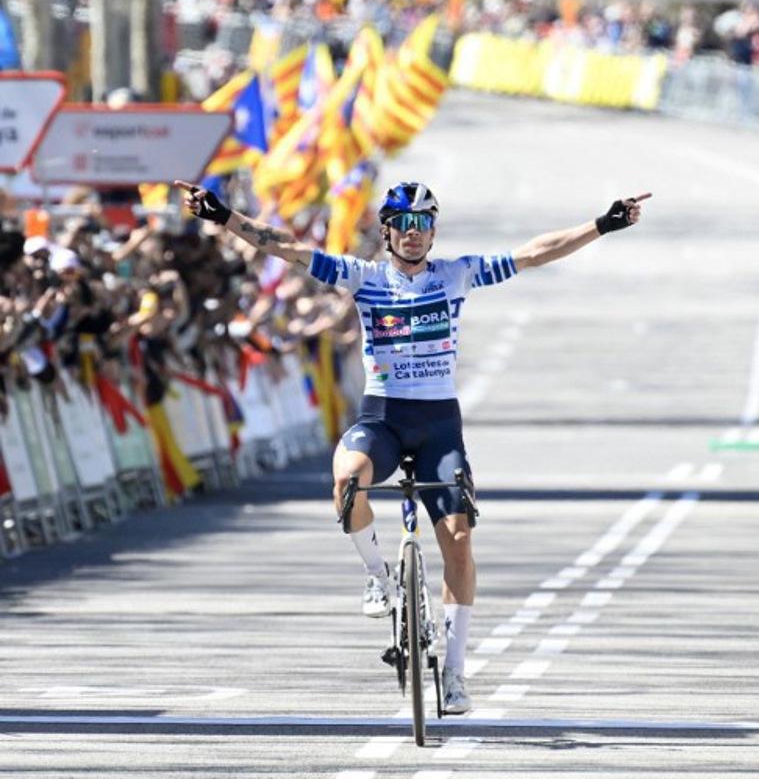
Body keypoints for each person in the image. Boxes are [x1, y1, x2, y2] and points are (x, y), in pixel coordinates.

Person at [174, 178, 649, 714]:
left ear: (433, 231)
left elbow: (536, 253)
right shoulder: (364, 277)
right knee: (347, 476)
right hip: (383, 418)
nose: (414, 234)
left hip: (439, 426)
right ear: (387, 231)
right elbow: (287, 247)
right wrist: (227, 218)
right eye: (404, 224)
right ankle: (379, 579)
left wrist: (603, 224)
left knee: (460, 540)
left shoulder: (456, 275)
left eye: (424, 224)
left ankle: (454, 672)